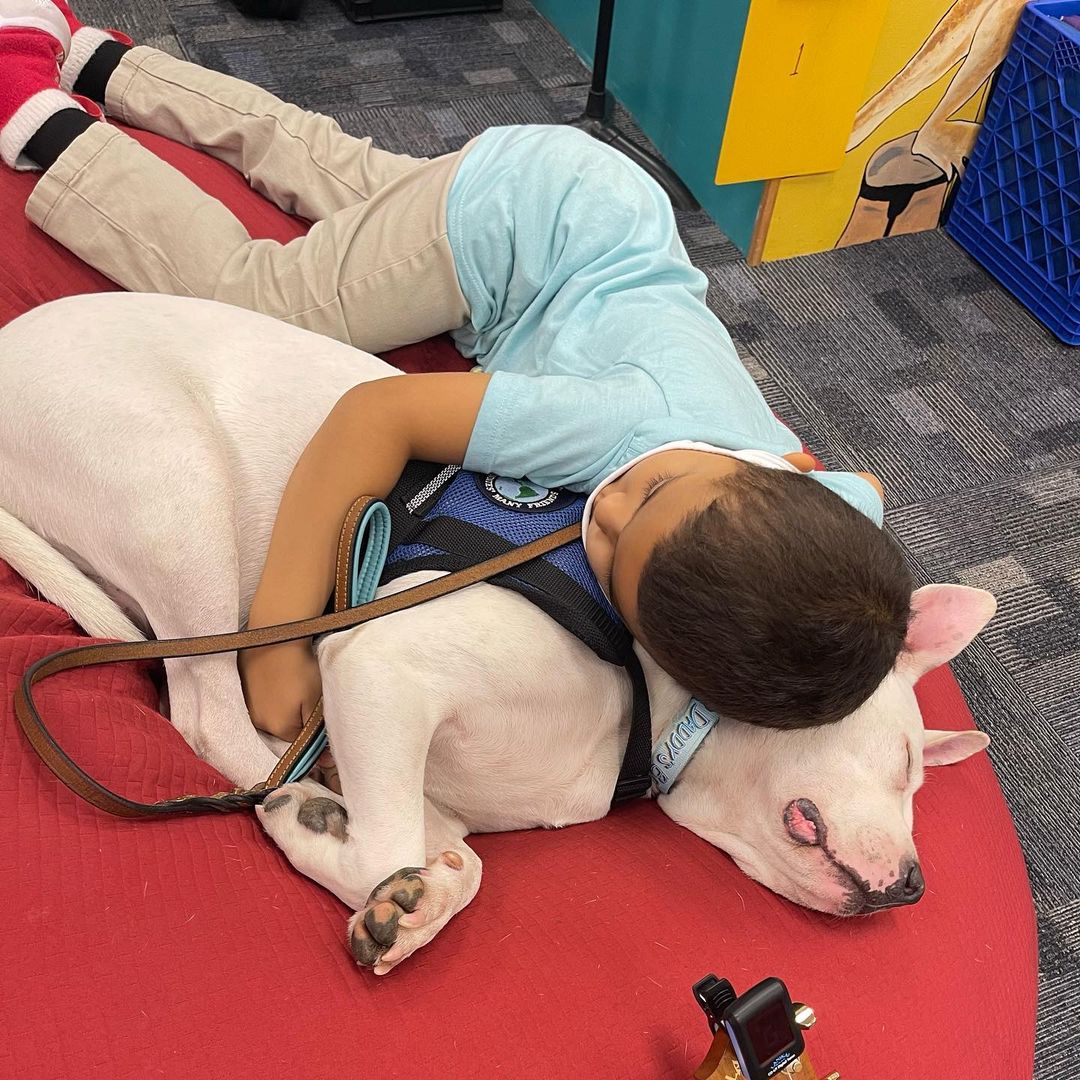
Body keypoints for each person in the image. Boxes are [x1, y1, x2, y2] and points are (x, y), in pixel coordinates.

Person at [0, 0, 912, 742]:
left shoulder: (820, 499)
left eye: (611, 548)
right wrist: (274, 644)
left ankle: (103, 61)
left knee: (336, 174)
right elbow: (375, 416)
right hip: (505, 234)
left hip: (582, 202)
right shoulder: (623, 426)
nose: (612, 501)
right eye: (653, 487)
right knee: (267, 290)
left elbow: (865, 491)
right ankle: (35, 118)